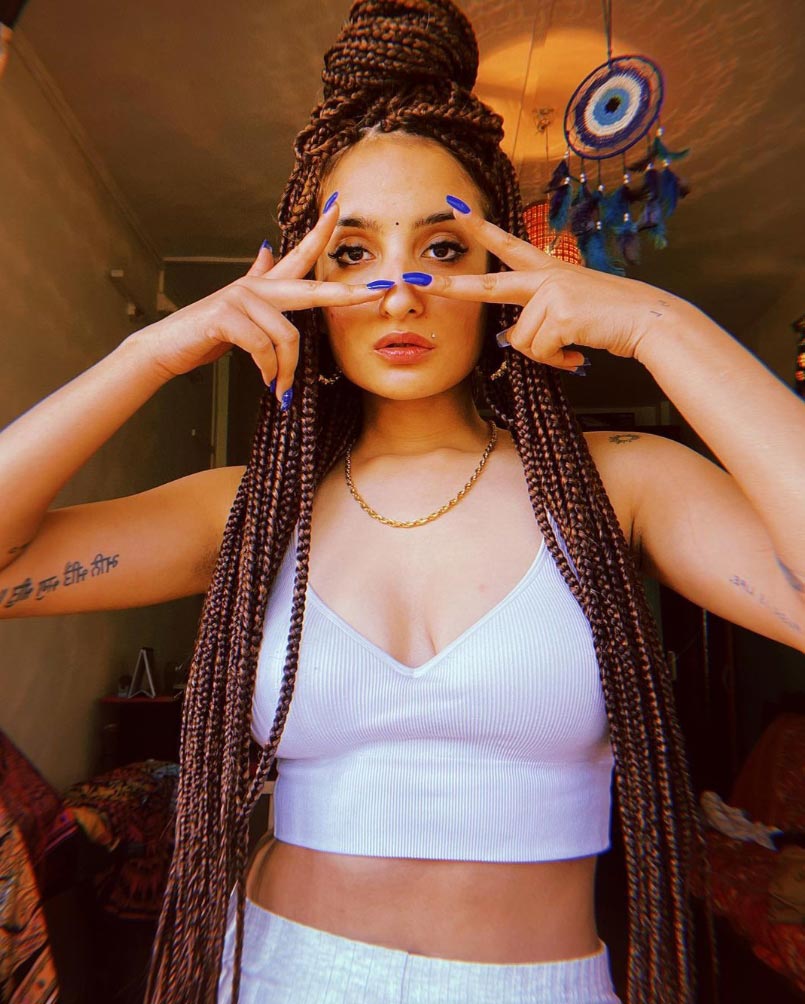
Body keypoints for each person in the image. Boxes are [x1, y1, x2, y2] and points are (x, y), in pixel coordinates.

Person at [2, 1, 804, 1001]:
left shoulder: (621, 483)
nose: (398, 290)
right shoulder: (246, 511)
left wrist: (660, 325)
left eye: (444, 246)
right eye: (351, 252)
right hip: (276, 972)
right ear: (303, 278)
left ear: (502, 267)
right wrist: (150, 351)